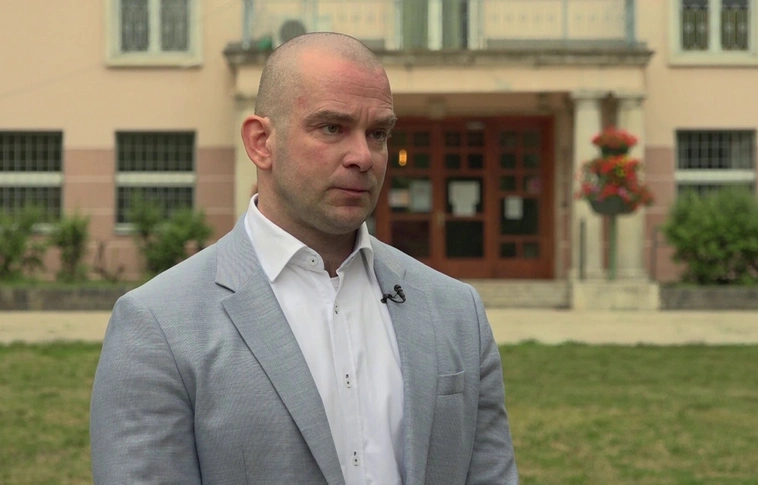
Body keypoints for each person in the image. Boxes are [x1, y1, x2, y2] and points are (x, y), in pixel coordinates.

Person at [90, 32, 518, 484]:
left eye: (378, 133)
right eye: (332, 128)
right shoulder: (159, 326)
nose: (363, 157)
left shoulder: (456, 311)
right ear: (261, 142)